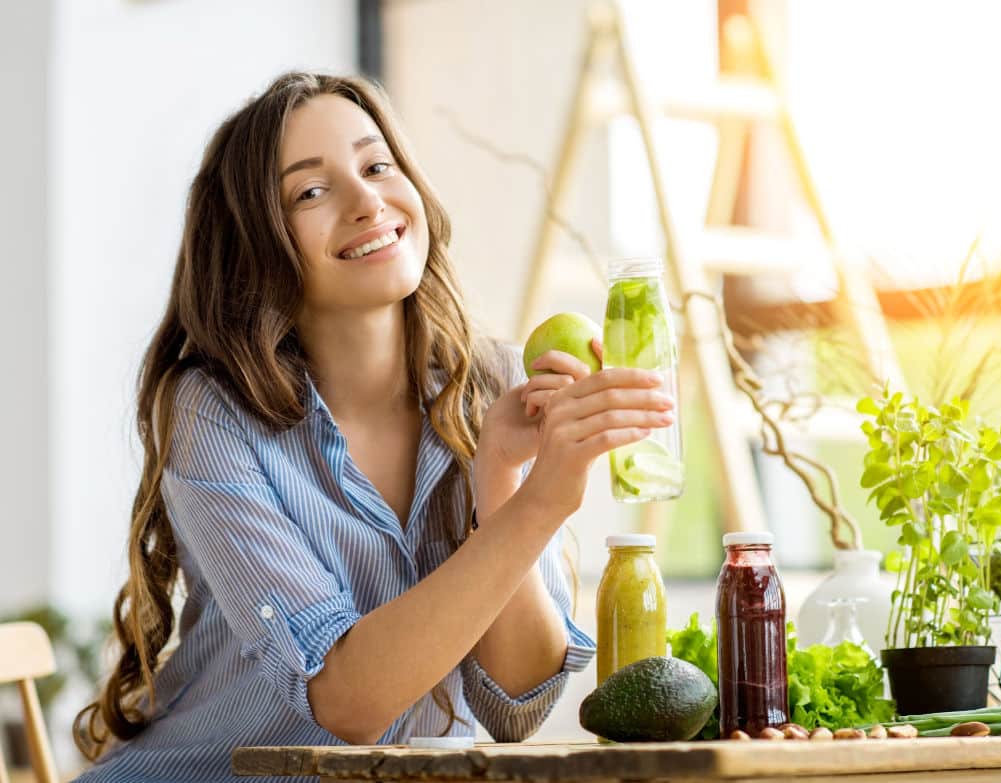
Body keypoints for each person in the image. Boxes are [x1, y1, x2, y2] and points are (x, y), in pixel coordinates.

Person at [71, 71, 675, 782]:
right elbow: (346, 700)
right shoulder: (212, 411)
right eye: (311, 191)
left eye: (377, 164)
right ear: (255, 245)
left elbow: (515, 703)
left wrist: (505, 486)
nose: (367, 201)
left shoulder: (495, 386)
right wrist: (543, 505)